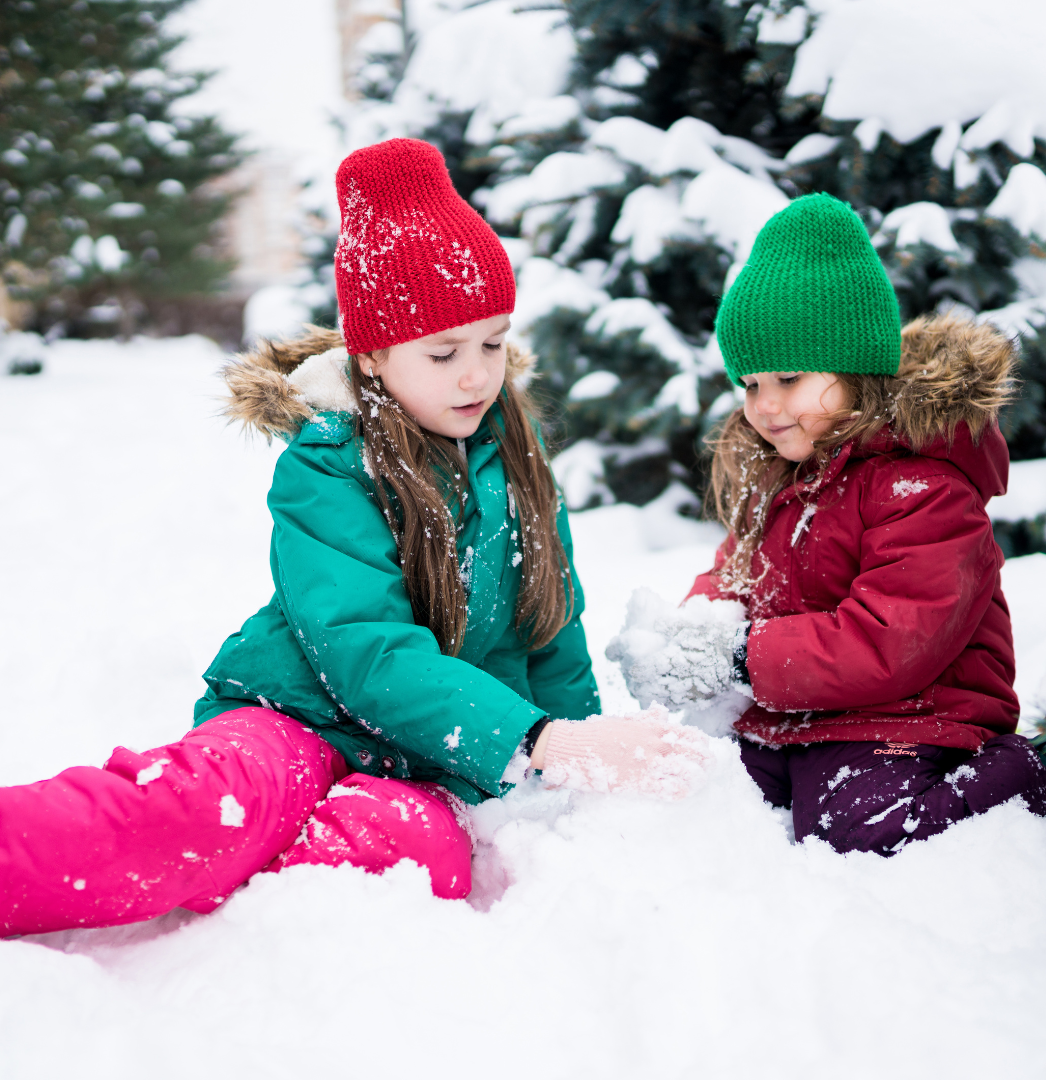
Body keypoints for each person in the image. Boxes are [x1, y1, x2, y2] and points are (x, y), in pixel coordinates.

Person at [0, 139, 707, 937]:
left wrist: (581, 752)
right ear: (372, 358)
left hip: (427, 762)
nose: (476, 375)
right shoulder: (329, 465)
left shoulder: (517, 456)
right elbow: (364, 648)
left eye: (493, 343)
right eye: (443, 353)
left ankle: (240, 881)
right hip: (294, 718)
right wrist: (541, 740)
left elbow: (550, 625)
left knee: (427, 858)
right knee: (204, 810)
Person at [619, 193, 1046, 855]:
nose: (764, 407)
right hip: (796, 709)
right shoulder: (787, 473)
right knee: (697, 790)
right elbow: (738, 572)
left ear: (854, 369)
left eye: (788, 379)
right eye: (751, 384)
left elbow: (893, 639)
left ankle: (1031, 775)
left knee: (851, 828)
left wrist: (739, 657)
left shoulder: (922, 484)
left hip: (916, 715)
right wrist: (695, 630)